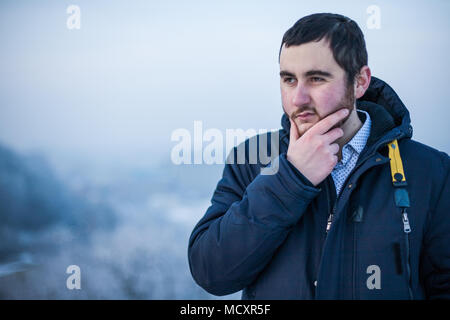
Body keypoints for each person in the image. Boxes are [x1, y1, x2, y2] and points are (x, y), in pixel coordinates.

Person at [188, 13, 450, 299]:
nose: (298, 99)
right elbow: (210, 272)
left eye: (315, 79)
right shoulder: (251, 159)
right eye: (289, 79)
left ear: (360, 82)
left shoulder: (431, 172)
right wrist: (291, 178)